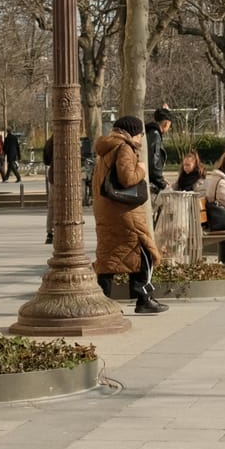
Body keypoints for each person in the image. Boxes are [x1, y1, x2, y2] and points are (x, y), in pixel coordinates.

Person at [91, 116, 166, 313]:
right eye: (140, 134)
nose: (141, 138)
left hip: (108, 210)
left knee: (110, 257)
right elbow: (127, 178)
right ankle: (143, 298)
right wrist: (141, 170)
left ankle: (103, 302)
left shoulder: (108, 147)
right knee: (146, 252)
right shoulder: (124, 147)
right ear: (133, 132)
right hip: (124, 211)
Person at [146, 107, 174, 195]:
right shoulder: (155, 135)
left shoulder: (149, 132)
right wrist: (162, 183)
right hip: (151, 185)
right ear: (166, 123)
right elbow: (153, 164)